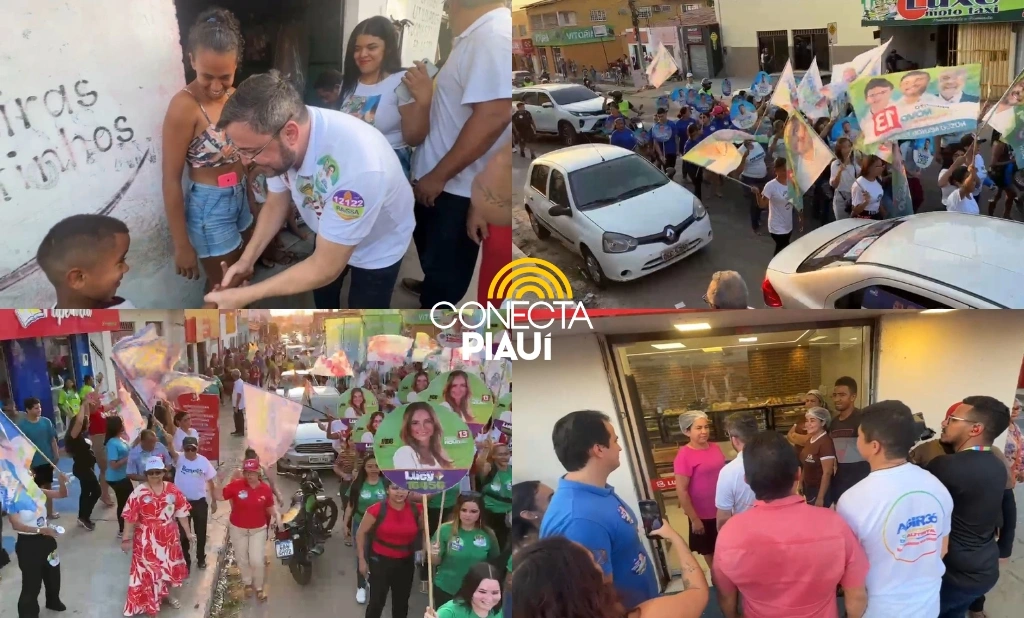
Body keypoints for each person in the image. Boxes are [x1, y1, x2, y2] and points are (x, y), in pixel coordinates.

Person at [205, 70, 415, 310]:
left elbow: (325, 267)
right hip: (329, 228)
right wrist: (246, 260)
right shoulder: (283, 137)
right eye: (239, 150)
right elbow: (276, 201)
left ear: (291, 133)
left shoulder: (358, 167)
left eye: (251, 151)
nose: (245, 161)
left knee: (365, 317)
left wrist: (246, 295)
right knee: (323, 302)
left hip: (378, 244)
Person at [402, 0, 512, 309]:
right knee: (436, 265)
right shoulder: (473, 36)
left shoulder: (494, 35)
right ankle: (431, 288)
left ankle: (432, 333)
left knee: (445, 286)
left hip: (455, 190)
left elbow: (494, 116)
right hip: (442, 185)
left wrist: (438, 176)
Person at [713, 432, 869, 618]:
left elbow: (726, 596)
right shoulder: (834, 524)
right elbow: (857, 595)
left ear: (747, 479)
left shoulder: (730, 533)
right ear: (798, 474)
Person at [161, 9, 252, 294]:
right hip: (210, 210)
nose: (216, 86)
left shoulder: (236, 96)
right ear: (191, 61)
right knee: (226, 287)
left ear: (237, 63)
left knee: (239, 275)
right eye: (206, 76)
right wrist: (181, 244)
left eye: (224, 76)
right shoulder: (183, 107)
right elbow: (170, 180)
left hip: (241, 198)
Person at [835, 401, 953, 617]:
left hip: (879, 609)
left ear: (874, 446)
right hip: (927, 604)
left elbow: (851, 574)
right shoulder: (937, 487)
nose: (856, 441)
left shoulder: (852, 500)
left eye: (859, 436)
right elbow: (942, 549)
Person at [540, 410, 659, 609]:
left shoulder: (598, 492)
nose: (620, 448)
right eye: (615, 440)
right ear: (598, 449)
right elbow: (597, 597)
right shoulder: (580, 519)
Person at [927, 396, 1010, 618]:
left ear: (975, 429)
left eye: (952, 420)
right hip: (986, 568)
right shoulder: (997, 464)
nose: (944, 423)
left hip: (955, 573)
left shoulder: (944, 466)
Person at [512, 529, 708, 618]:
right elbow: (698, 592)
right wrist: (674, 537)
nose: (600, 563)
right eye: (593, 560)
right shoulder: (653, 613)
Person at [338, 16, 432, 177]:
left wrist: (424, 103)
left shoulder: (401, 80)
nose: (362, 54)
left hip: (388, 168)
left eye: (372, 47)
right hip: (351, 166)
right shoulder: (348, 84)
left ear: (387, 49)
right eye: (357, 48)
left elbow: (413, 138)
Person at [120, 456, 192, 616]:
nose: (154, 475)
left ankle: (167, 595)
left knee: (168, 568)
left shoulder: (173, 489)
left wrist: (188, 533)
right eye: (151, 473)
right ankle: (151, 602)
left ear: (163, 472)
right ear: (146, 474)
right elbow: (129, 516)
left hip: (169, 537)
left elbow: (182, 512)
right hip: (146, 539)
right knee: (150, 572)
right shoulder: (139, 492)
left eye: (158, 472)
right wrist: (126, 538)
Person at [35, 214, 135, 309]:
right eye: (120, 262)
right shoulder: (124, 317)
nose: (126, 268)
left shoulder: (45, 323)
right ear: (79, 278)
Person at [357, 480, 425, 618]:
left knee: (401, 603)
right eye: (395, 488)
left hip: (406, 562)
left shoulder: (418, 509)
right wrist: (362, 560)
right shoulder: (375, 510)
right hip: (380, 561)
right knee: (376, 602)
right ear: (387, 489)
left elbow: (423, 531)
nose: (399, 492)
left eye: (403, 488)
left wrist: (423, 549)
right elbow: (360, 533)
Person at [6, 470, 69, 618]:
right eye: (26, 475)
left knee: (53, 573)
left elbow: (61, 494)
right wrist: (41, 530)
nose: (30, 477)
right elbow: (16, 525)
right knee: (32, 583)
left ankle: (53, 600)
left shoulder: (37, 491)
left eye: (31, 474)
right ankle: (28, 613)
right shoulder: (13, 499)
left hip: (47, 540)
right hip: (28, 544)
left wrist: (62, 481)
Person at [216, 458, 278, 602]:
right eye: (246, 472)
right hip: (238, 529)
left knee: (256, 560)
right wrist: (218, 482)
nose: (249, 475)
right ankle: (247, 583)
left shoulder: (265, 489)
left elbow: (269, 507)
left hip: (258, 529)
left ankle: (259, 586)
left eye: (252, 472)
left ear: (258, 473)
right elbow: (219, 496)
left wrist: (277, 517)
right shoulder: (236, 485)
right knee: (242, 558)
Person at [673, 411, 725, 570]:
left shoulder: (715, 447)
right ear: (687, 431)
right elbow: (681, 490)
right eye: (698, 428)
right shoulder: (684, 455)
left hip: (722, 510)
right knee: (713, 559)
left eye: (706, 427)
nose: (704, 431)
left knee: (727, 552)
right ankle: (721, 588)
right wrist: (695, 519)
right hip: (703, 516)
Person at [431, 495, 500, 607]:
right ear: (458, 510)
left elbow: (495, 563)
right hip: (446, 588)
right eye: (464, 510)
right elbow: (434, 562)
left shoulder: (488, 534)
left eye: (473, 511)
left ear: (480, 512)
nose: (468, 515)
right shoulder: (444, 530)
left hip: (476, 591)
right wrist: (433, 554)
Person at [345, 455, 388, 604]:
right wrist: (345, 524)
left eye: (376, 466)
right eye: (370, 466)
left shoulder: (387, 483)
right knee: (361, 556)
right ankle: (361, 586)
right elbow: (350, 506)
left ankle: (373, 581)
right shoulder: (357, 484)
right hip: (360, 523)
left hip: (382, 526)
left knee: (377, 556)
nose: (373, 469)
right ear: (364, 467)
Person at [174, 436, 217, 572]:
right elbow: (170, 449)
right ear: (183, 449)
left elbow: (210, 482)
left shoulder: (204, 462)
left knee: (201, 533)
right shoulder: (179, 459)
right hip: (181, 503)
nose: (190, 452)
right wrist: (169, 440)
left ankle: (201, 558)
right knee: (183, 534)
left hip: (199, 502)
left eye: (193, 449)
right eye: (187, 449)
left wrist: (214, 500)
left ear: (197, 448)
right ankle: (186, 560)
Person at [16, 398, 60, 520]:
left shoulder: (46, 422)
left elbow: (52, 439)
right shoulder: (22, 427)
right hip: (33, 463)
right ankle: (38, 514)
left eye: (39, 407)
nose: (39, 410)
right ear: (28, 410)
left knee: (48, 487)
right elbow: (21, 447)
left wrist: (56, 455)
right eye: (36, 408)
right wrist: (26, 465)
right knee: (35, 491)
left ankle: (50, 512)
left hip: (47, 460)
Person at [714, 411, 759, 530]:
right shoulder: (775, 461)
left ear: (734, 439)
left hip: (745, 532)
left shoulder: (729, 472)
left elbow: (723, 517)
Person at [752, 158, 801, 255]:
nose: (786, 172)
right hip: (776, 226)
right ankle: (777, 267)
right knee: (782, 248)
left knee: (783, 248)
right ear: (776, 170)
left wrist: (800, 216)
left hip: (788, 224)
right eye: (783, 170)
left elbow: (795, 200)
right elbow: (762, 204)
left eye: (787, 169)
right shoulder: (770, 186)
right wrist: (757, 194)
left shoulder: (791, 183)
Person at [65, 401, 100, 530]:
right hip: (82, 469)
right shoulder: (73, 437)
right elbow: (80, 422)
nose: (89, 423)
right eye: (87, 423)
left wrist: (86, 406)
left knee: (86, 492)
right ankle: (85, 517)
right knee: (96, 491)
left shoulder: (79, 435)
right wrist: (82, 406)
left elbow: (85, 419)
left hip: (86, 467)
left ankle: (82, 516)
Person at [425, 562, 503, 618]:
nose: (489, 598)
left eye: (495, 593)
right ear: (470, 589)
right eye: (482, 591)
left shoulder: (498, 611)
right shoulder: (448, 613)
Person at [392, 402, 455, 470]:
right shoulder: (404, 452)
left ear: (434, 424)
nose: (422, 428)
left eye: (427, 421)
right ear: (408, 427)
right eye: (415, 423)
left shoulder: (439, 452)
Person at [476, 441, 512, 549]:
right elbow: (479, 465)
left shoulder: (512, 470)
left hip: (507, 514)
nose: (504, 457)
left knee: (502, 543)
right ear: (494, 456)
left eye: (506, 453)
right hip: (490, 513)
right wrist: (486, 449)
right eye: (500, 454)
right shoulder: (490, 469)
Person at [799, 407, 836, 507]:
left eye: (813, 420)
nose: (808, 424)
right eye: (807, 420)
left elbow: (827, 473)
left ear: (823, 423)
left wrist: (820, 498)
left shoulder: (825, 443)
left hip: (819, 489)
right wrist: (801, 482)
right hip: (809, 488)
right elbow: (806, 464)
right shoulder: (809, 440)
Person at [104, 416, 134, 538]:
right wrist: (128, 458)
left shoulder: (120, 439)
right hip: (116, 478)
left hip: (123, 476)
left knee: (128, 501)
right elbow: (113, 464)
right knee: (123, 503)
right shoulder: (112, 443)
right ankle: (122, 529)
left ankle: (127, 525)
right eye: (121, 423)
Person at [830, 137, 857, 220]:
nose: (848, 149)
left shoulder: (855, 163)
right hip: (840, 198)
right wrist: (840, 171)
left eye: (849, 146)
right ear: (839, 149)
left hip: (853, 197)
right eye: (844, 147)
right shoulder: (835, 164)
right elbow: (834, 185)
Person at [231, 368, 246, 436]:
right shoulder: (237, 382)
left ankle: (241, 431)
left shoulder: (239, 383)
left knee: (239, 418)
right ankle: (237, 430)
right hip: (236, 403)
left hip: (239, 404)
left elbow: (239, 395)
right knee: (236, 417)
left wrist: (237, 406)